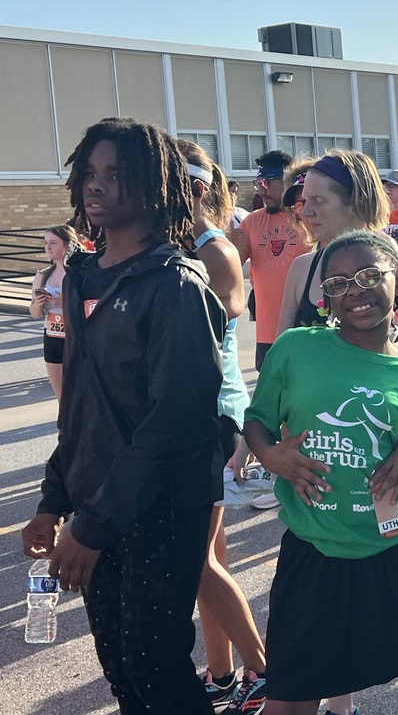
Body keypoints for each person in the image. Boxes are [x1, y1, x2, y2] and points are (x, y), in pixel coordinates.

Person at [21, 117, 227, 714]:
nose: (96, 185)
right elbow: (81, 408)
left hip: (158, 507)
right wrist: (52, 501)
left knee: (156, 668)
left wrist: (92, 524)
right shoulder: (83, 275)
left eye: (116, 174)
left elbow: (179, 422)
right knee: (121, 670)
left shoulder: (175, 285)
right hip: (97, 505)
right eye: (90, 172)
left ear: (154, 184)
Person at [244, 230, 398, 715]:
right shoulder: (295, 349)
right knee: (292, 692)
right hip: (317, 547)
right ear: (325, 297)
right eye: (338, 284)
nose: (355, 291)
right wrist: (268, 456)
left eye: (370, 275)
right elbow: (257, 422)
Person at [178, 141, 269, 714]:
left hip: (208, 412)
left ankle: (262, 672)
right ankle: (221, 672)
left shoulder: (213, 250)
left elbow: (213, 325)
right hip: (187, 412)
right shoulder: (174, 247)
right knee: (208, 557)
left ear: (195, 190)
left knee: (196, 559)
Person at [228, 149, 308, 371]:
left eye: (268, 182)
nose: (261, 190)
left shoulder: (306, 218)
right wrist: (231, 247)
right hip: (266, 331)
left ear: (287, 182)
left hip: (304, 328)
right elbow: (232, 268)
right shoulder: (251, 223)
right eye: (258, 182)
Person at [28, 224, 80, 401]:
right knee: (61, 396)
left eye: (53, 243)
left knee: (81, 391)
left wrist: (61, 302)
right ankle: (64, 426)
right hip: (52, 336)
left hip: (76, 336)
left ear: (67, 245)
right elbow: (35, 314)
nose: (48, 247)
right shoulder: (42, 275)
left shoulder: (79, 274)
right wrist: (38, 302)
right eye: (45, 243)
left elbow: (92, 306)